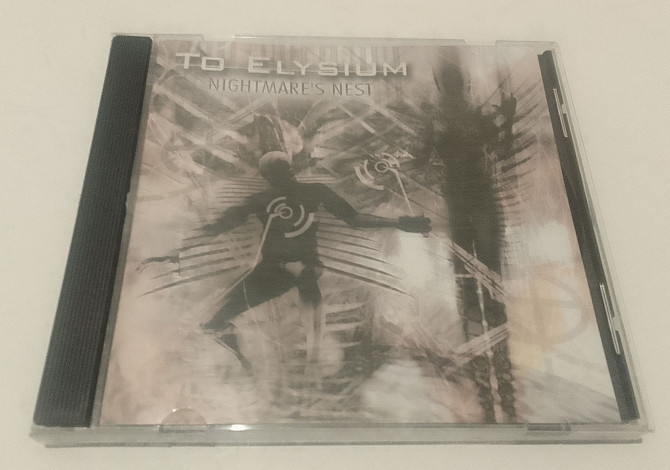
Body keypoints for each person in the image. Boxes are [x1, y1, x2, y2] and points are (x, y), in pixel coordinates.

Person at [201, 150, 431, 369]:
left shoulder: (286, 195)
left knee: (224, 316)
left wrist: (400, 223)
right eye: (282, 168)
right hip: (282, 268)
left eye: (285, 168)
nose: (287, 172)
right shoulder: (276, 197)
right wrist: (400, 223)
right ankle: (262, 359)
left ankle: (303, 359)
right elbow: (355, 219)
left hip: (288, 268)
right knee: (217, 320)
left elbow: (354, 219)